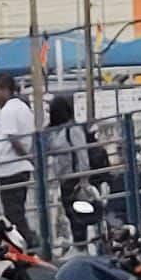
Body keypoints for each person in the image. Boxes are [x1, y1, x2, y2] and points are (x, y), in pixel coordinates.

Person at [0, 73, 38, 249]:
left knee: (13, 213)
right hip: (18, 167)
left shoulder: (9, 110)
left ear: (5, 90)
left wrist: (24, 155)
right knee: (16, 210)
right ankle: (26, 242)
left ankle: (27, 243)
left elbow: (12, 137)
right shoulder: (22, 107)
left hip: (11, 167)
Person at [47, 94, 92, 253]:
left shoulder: (73, 130)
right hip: (64, 178)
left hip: (74, 178)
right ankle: (80, 246)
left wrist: (84, 178)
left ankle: (82, 247)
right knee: (70, 213)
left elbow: (82, 154)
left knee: (77, 214)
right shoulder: (56, 132)